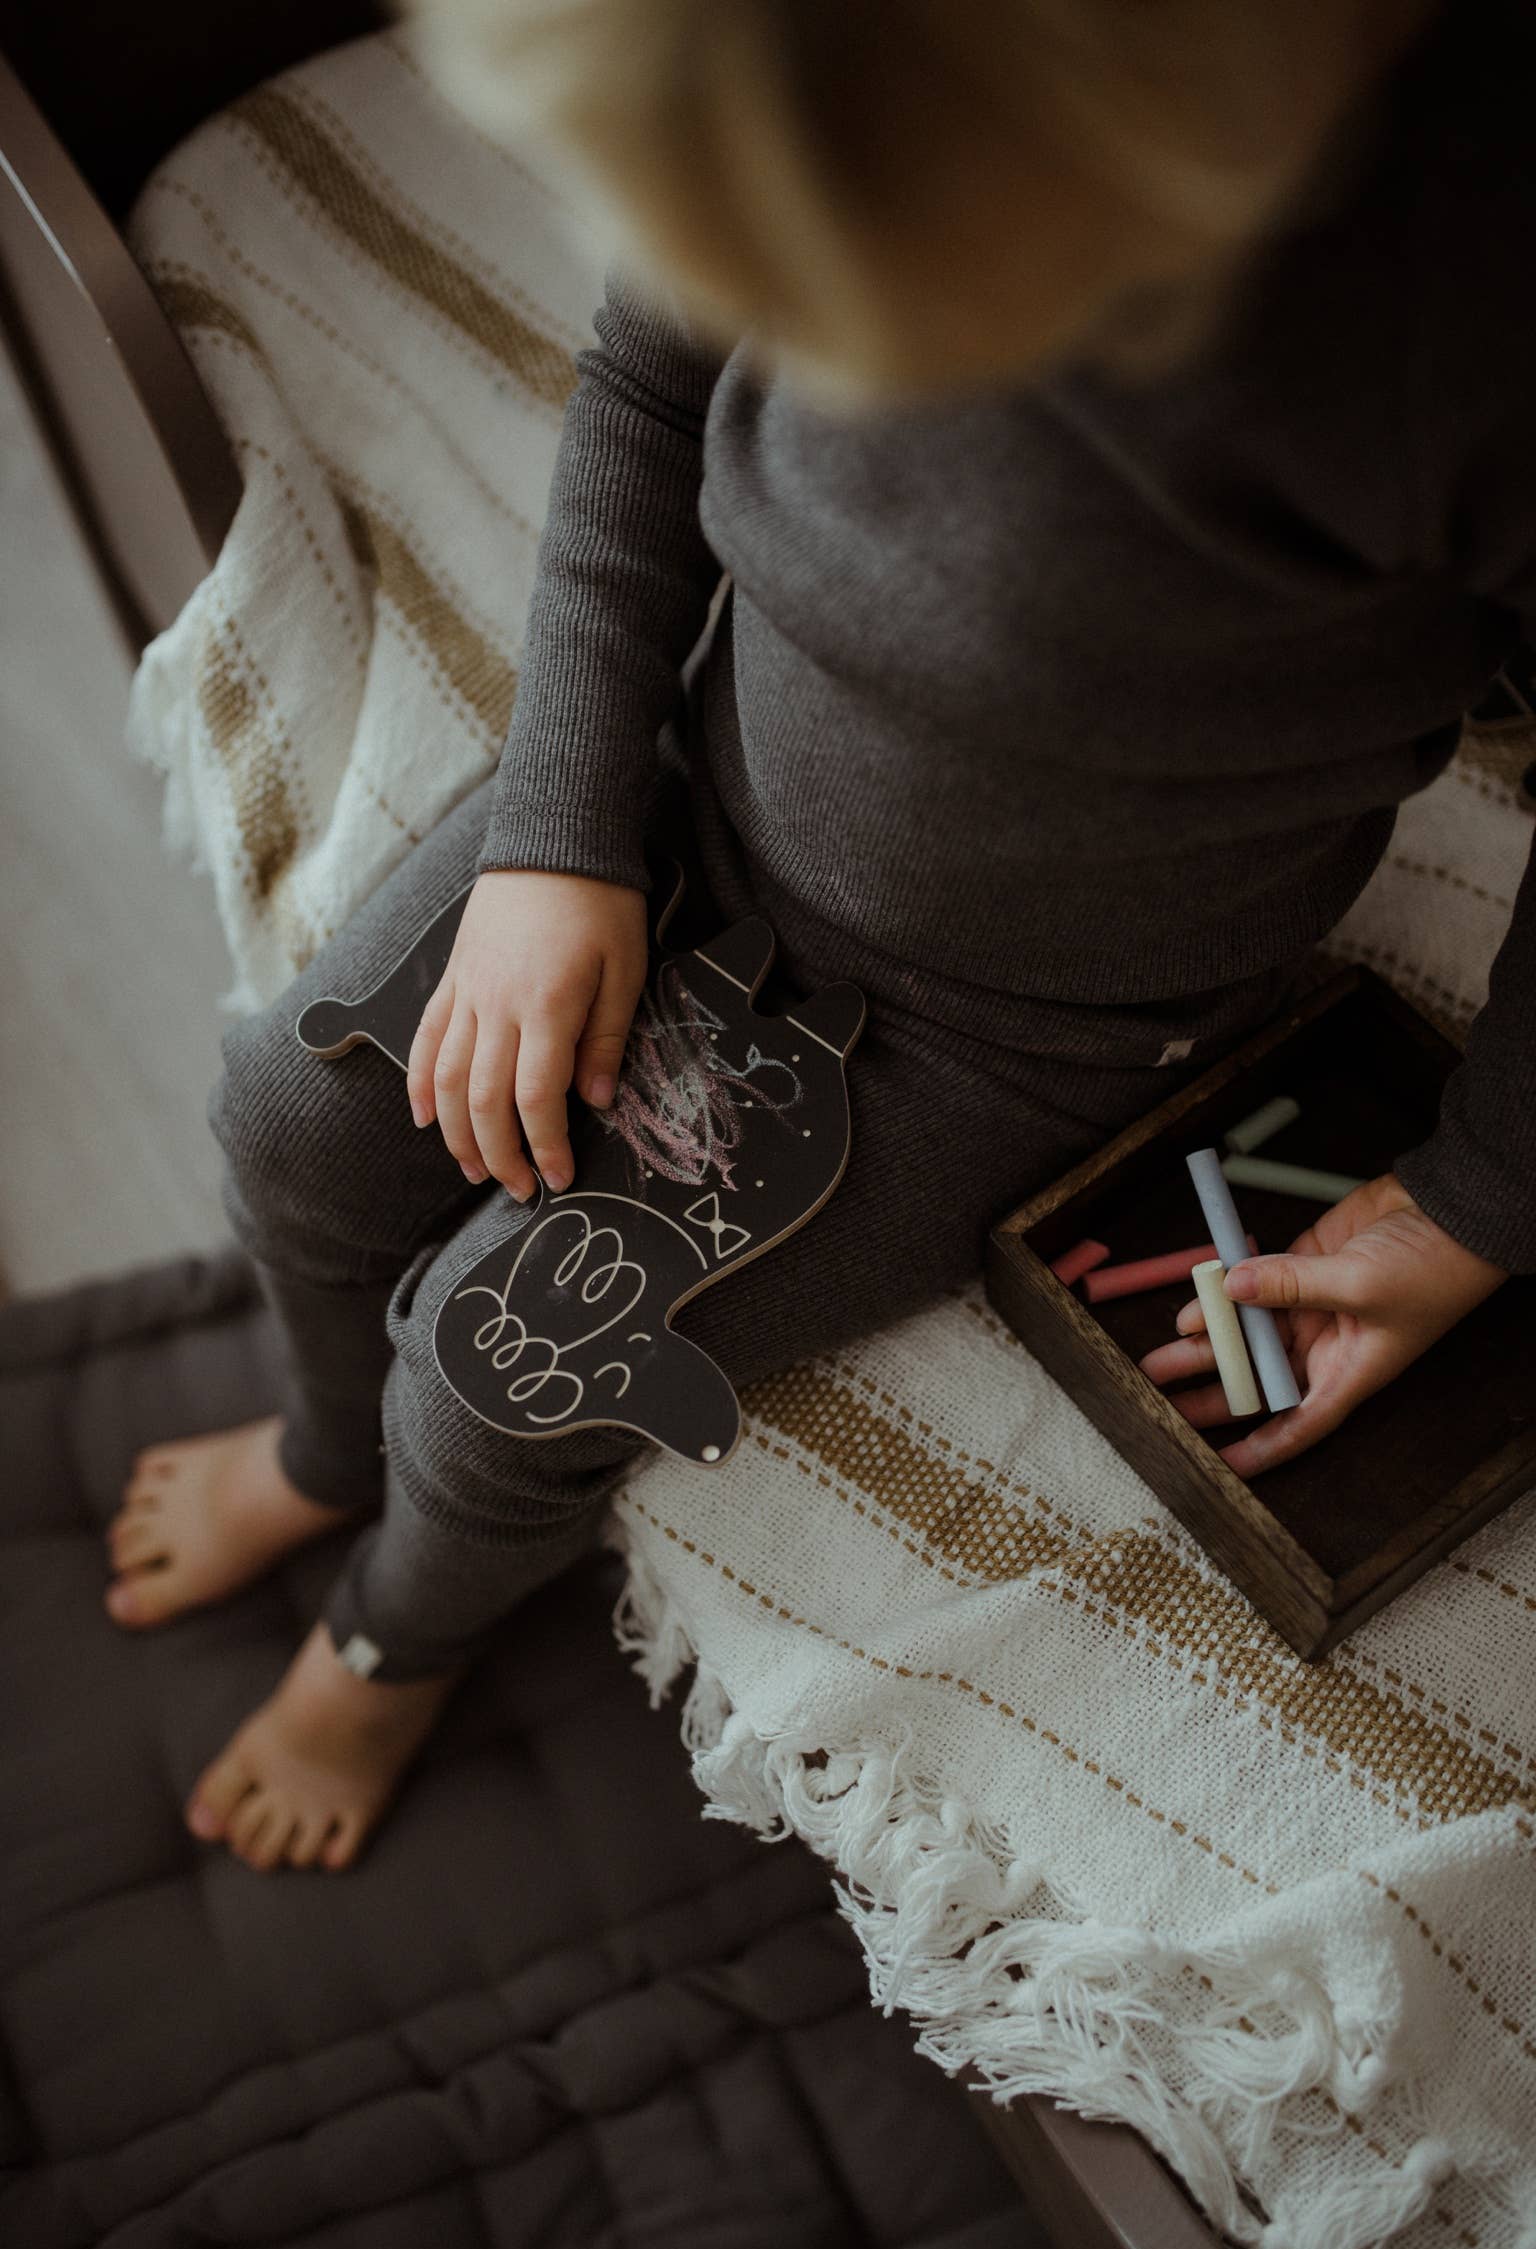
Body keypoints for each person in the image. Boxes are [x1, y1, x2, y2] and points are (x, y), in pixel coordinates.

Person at [104, 0, 1531, 1871]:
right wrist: (557, 835)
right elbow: (640, 389)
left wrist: (1476, 1203)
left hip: (1010, 1026)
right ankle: (317, 1448)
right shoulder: (782, 80)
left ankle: (392, 1636)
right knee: (288, 1115)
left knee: (503, 1360)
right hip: (682, 787)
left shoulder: (1455, 320)